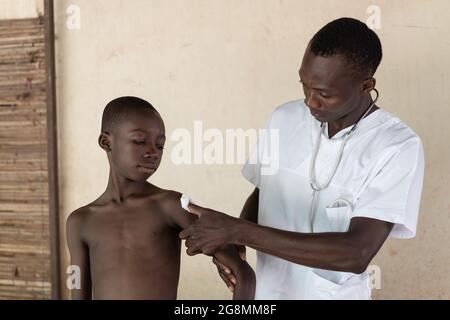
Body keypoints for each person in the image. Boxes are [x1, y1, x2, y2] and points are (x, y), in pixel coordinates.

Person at [180, 17, 425, 299]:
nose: (309, 101)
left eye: (323, 93)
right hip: (268, 294)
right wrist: (236, 246)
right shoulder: (284, 118)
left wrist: (237, 231)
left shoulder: (396, 146)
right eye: (304, 85)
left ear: (365, 86)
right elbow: (265, 192)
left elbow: (355, 252)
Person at [66, 96, 255, 299]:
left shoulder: (170, 206)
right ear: (106, 142)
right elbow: (75, 286)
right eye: (139, 141)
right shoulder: (80, 221)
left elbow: (243, 275)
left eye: (160, 145)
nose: (152, 152)